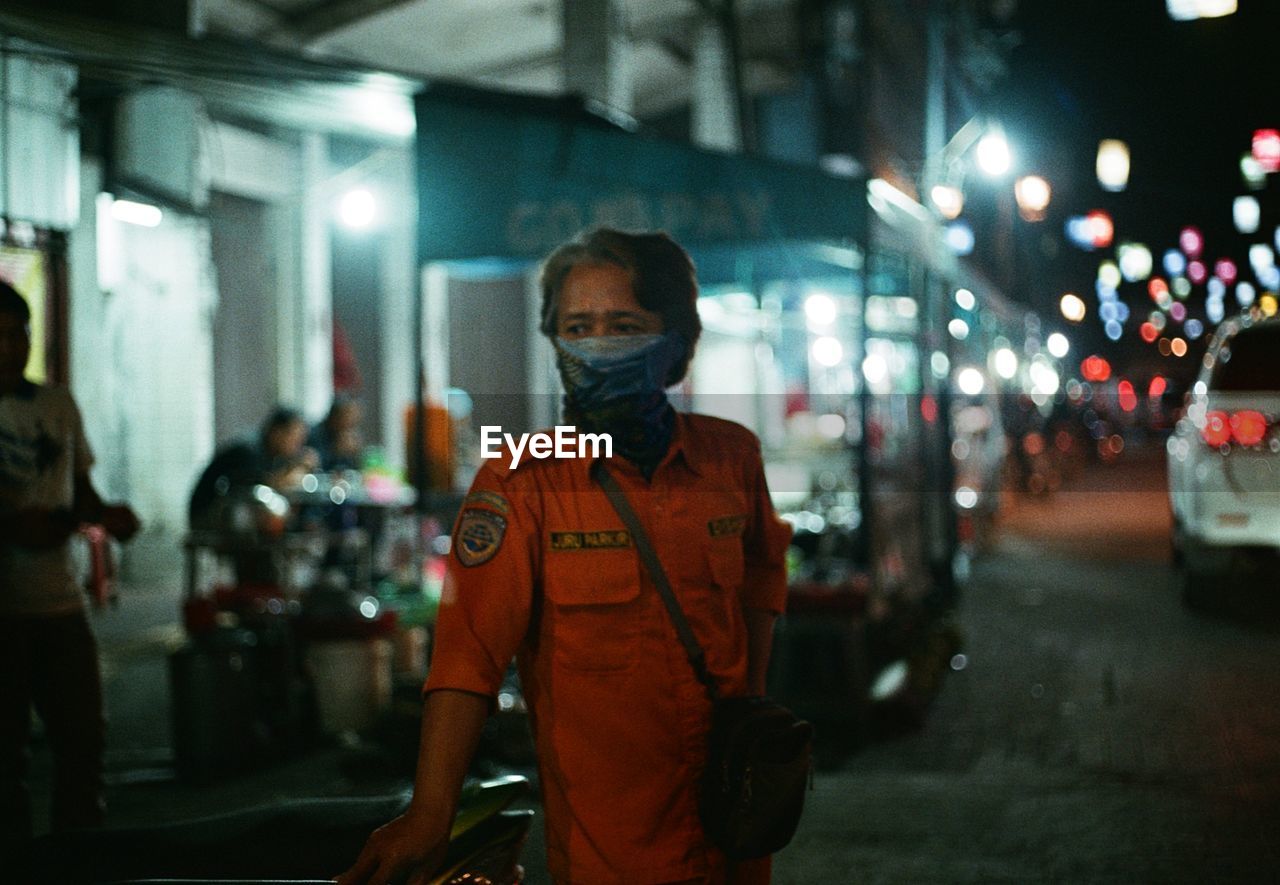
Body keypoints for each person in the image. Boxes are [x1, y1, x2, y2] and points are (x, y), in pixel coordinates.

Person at [338, 229, 791, 884]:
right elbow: (467, 659)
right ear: (555, 341)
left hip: (738, 839)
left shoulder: (732, 456)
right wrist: (430, 813)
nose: (598, 344)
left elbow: (760, 578)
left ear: (676, 343)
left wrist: (748, 706)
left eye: (624, 324)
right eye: (579, 325)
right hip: (613, 861)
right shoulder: (520, 482)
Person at [0, 280, 140, 866]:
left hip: (61, 603)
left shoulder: (57, 403)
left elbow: (78, 492)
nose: (9, 346)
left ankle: (78, 867)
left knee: (83, 746)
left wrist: (107, 516)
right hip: (3, 611)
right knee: (6, 760)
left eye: (18, 333)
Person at [187, 405, 316, 529]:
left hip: (233, 513)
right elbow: (256, 491)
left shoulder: (271, 452)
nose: (298, 445)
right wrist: (297, 468)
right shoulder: (249, 450)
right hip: (208, 514)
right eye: (295, 439)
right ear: (277, 432)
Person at [308, 395, 364, 473]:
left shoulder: (348, 436)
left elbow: (353, 469)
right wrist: (336, 450)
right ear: (335, 416)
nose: (352, 423)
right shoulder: (314, 434)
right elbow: (316, 466)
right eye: (348, 417)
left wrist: (355, 454)